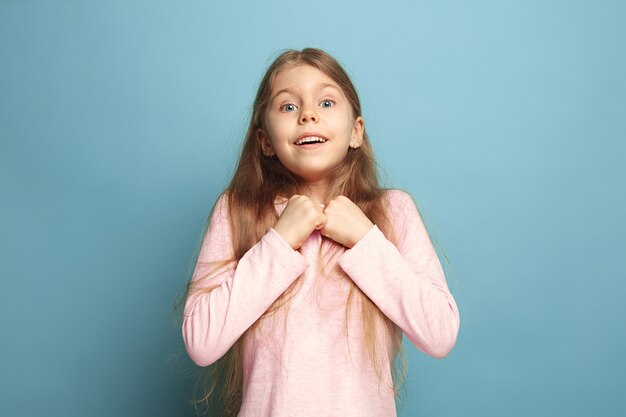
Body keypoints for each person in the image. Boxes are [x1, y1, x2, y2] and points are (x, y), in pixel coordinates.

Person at [181, 47, 460, 417]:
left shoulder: (393, 212)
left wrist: (365, 240)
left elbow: (439, 333)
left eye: (326, 102)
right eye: (288, 107)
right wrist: (279, 242)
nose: (308, 114)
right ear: (265, 140)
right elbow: (201, 342)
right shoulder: (237, 212)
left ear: (355, 132)